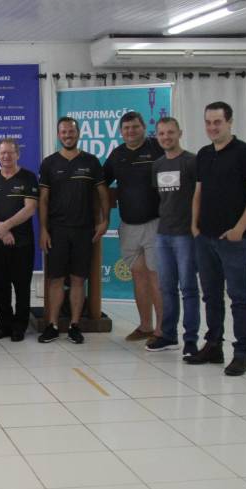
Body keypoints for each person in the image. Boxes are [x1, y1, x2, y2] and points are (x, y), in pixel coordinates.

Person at [188, 101, 246, 377]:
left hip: (233, 240)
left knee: (239, 298)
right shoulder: (204, 154)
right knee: (211, 296)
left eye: (217, 122)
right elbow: (198, 192)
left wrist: (239, 229)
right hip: (205, 237)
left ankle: (242, 354)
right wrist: (194, 226)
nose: (212, 127)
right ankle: (213, 345)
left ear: (230, 122)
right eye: (208, 122)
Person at [38, 117, 109, 345]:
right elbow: (43, 200)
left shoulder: (91, 161)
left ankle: (75, 326)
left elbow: (103, 193)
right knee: (55, 279)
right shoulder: (49, 163)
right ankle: (52, 325)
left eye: (71, 131)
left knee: (79, 279)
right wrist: (43, 229)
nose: (68, 135)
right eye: (64, 132)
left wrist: (105, 221)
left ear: (78, 134)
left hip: (83, 230)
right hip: (57, 230)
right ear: (58, 135)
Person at [104, 111, 164, 343]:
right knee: (139, 276)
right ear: (121, 132)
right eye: (126, 128)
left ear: (143, 128)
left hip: (156, 224)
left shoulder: (157, 147)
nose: (131, 131)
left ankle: (162, 331)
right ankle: (145, 326)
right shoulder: (117, 155)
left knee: (156, 277)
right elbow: (101, 183)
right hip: (128, 225)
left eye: (135, 127)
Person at [148, 117, 200, 356]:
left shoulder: (191, 161)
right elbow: (161, 199)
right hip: (163, 234)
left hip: (186, 235)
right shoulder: (157, 165)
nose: (166, 137)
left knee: (188, 288)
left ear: (179, 133)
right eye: (161, 133)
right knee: (166, 288)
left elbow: (200, 196)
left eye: (170, 132)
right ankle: (169, 336)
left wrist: (195, 228)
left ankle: (191, 340)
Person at [0, 138, 38, 342]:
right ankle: (4, 324)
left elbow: (30, 209)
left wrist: (6, 226)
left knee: (22, 287)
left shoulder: (28, 178)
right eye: (2, 153)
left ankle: (19, 326)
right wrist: (0, 229)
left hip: (22, 243)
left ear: (17, 155)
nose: (6, 156)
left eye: (10, 152)